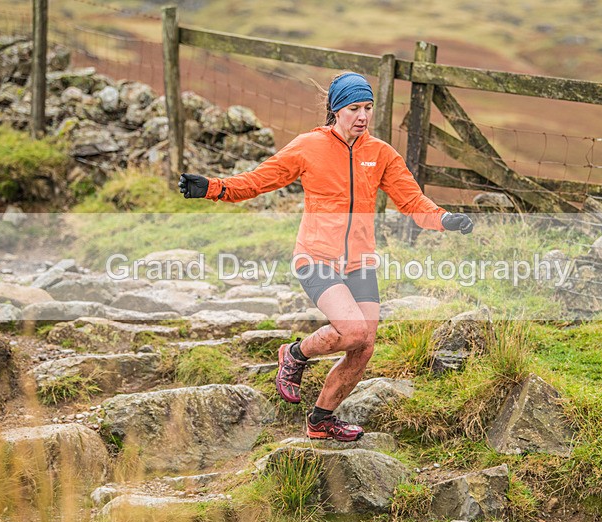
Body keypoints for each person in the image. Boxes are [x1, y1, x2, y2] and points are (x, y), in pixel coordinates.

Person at [179, 72, 473, 442]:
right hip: (316, 257)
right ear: (336, 110)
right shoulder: (308, 146)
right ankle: (295, 354)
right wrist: (213, 187)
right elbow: (258, 181)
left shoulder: (380, 154)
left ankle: (320, 421)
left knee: (364, 347)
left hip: (360, 262)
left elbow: (412, 200)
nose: (362, 116)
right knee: (353, 331)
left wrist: (444, 219)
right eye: (354, 108)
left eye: (368, 107)